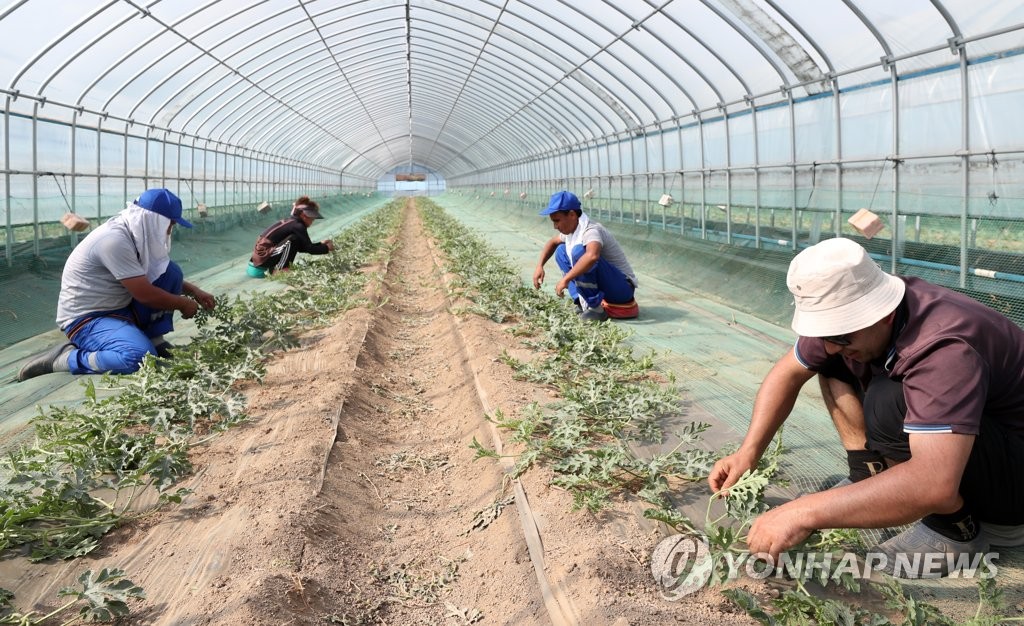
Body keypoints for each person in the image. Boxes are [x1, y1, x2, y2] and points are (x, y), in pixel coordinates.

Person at [708, 237, 1024, 578]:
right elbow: (786, 375)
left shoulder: (943, 349)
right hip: (980, 445)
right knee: (831, 364)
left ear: (884, 314)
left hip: (1014, 482)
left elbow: (934, 483)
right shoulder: (852, 325)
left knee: (888, 400)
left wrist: (803, 512)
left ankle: (956, 529)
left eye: (842, 336)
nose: (830, 345)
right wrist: (748, 453)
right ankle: (867, 474)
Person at [18, 188, 216, 381]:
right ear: (154, 221)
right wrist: (182, 303)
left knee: (171, 273)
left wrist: (194, 291)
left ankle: (155, 341)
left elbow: (153, 275)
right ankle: (65, 358)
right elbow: (145, 295)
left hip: (118, 308)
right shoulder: (113, 240)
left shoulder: (137, 234)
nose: (169, 231)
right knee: (137, 359)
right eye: (169, 225)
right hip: (87, 319)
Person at [532, 190, 639, 321]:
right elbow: (552, 242)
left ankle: (595, 308)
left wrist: (565, 280)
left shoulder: (591, 230)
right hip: (608, 284)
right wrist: (539, 266)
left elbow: (592, 256)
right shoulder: (572, 232)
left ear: (571, 214)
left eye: (557, 221)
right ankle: (580, 302)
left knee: (579, 253)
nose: (555, 226)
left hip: (622, 287)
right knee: (561, 250)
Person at [248, 196, 334, 276]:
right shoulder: (298, 226)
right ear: (304, 216)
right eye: (312, 218)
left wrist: (320, 244)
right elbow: (309, 249)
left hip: (262, 257)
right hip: (263, 258)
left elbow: (302, 247)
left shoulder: (292, 222)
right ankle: (280, 270)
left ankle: (280, 267)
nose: (313, 221)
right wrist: (326, 248)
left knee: (295, 240)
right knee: (293, 239)